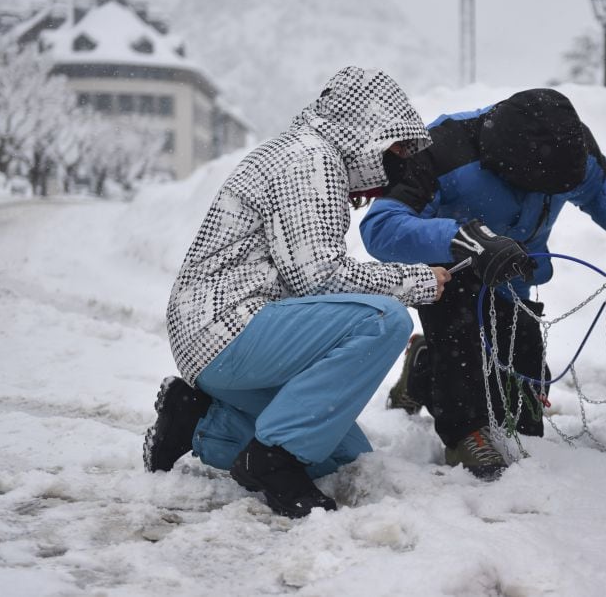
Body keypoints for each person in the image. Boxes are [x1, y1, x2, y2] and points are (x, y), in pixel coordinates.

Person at [142, 66, 451, 519]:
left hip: (215, 340)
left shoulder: (307, 154)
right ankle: (273, 462)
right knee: (385, 320)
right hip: (229, 324)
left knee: (338, 457)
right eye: (396, 147)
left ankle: (197, 420)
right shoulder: (311, 158)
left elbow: (305, 279)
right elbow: (319, 278)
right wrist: (419, 282)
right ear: (367, 131)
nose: (399, 161)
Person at [359, 88, 606, 479]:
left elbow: (600, 187)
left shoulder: (569, 145)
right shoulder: (441, 149)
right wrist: (464, 239)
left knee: (523, 413)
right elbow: (379, 228)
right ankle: (463, 434)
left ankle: (422, 366)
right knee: (461, 361)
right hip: (449, 271)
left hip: (513, 273)